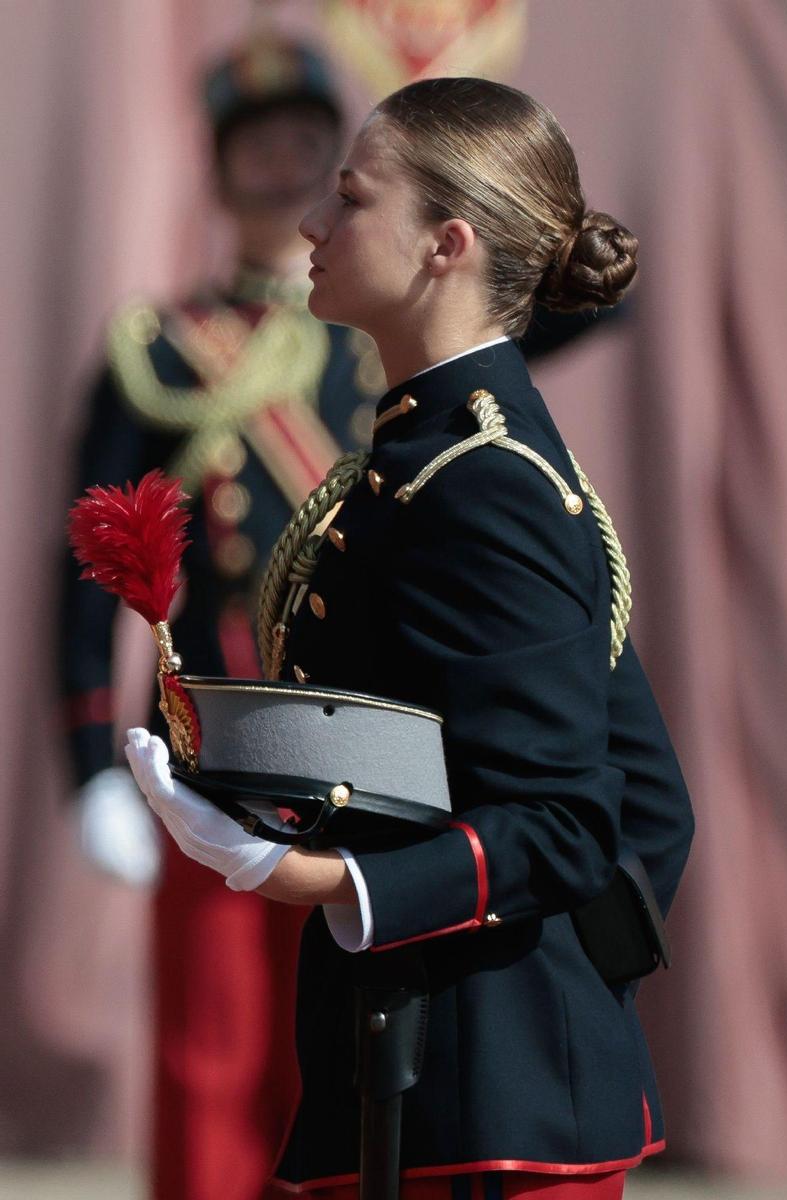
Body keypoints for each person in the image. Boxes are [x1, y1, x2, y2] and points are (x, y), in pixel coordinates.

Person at [125, 76, 694, 1199]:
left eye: (349, 197)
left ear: (446, 243)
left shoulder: (485, 482)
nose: (312, 224)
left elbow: (569, 821)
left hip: (492, 1094)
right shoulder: (422, 457)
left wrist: (307, 873)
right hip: (428, 1071)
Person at [60, 35, 388, 1200]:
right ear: (217, 164)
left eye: (306, 139)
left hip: (362, 736)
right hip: (217, 729)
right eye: (258, 143)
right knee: (214, 1037)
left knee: (340, 1038)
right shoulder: (158, 353)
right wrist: (90, 759)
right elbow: (85, 564)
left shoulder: (377, 343)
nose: (282, 160)